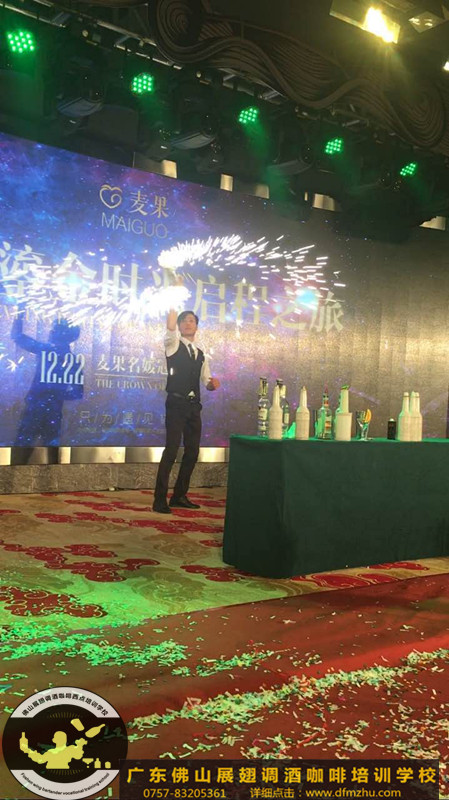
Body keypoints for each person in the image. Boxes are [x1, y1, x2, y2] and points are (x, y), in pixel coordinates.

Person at [153, 307, 220, 514]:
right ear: (179, 326)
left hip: (193, 406)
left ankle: (179, 496)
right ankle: (159, 500)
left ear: (197, 326)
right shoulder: (173, 344)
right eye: (184, 320)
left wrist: (212, 385)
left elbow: (206, 380)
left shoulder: (201, 354)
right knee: (171, 450)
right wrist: (173, 306)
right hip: (176, 403)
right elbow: (170, 328)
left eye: (191, 320)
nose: (188, 323)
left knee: (192, 452)